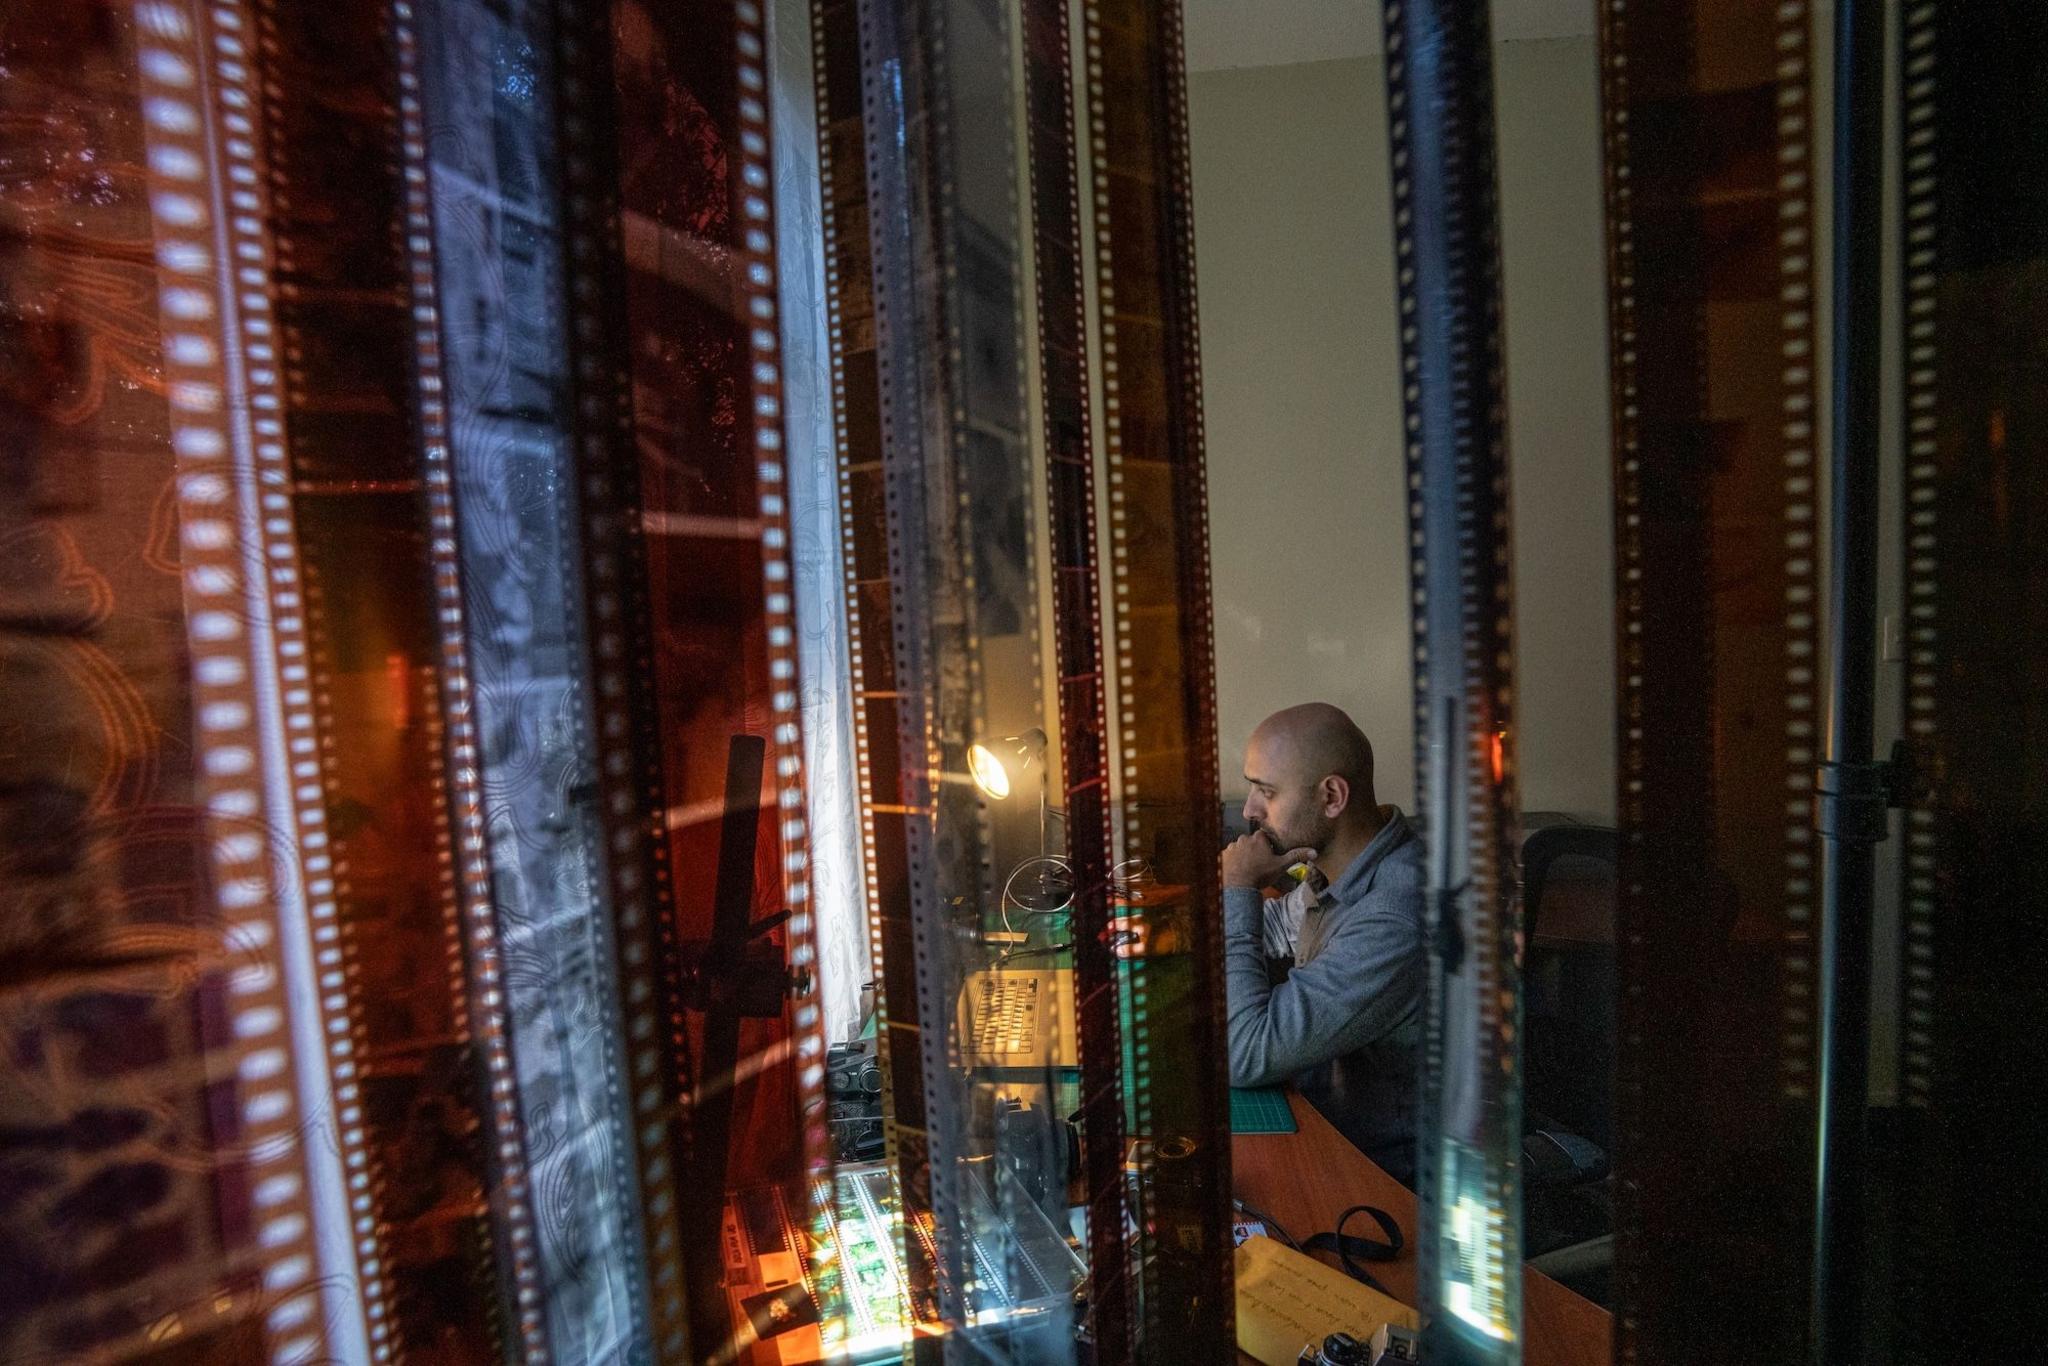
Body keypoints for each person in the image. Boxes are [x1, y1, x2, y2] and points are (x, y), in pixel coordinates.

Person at [1220, 703, 1426, 1185]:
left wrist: (1238, 890)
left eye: (1265, 792)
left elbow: (1247, 1053)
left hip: (1384, 1176)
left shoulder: (1395, 915)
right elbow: (1272, 930)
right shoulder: (1344, 865)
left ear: (1332, 796)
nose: (1250, 811)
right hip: (1325, 1115)